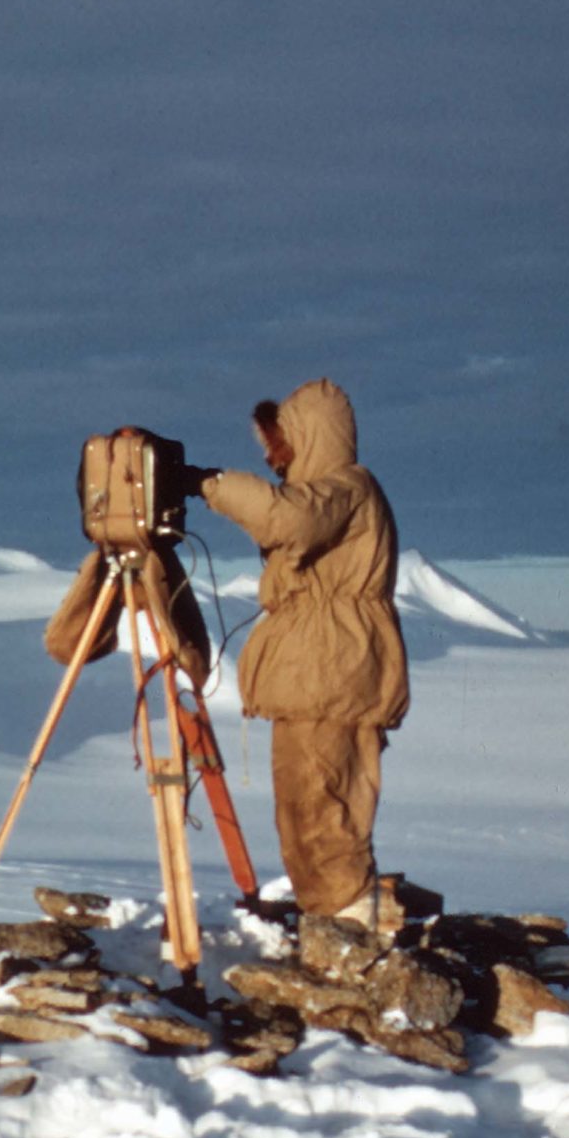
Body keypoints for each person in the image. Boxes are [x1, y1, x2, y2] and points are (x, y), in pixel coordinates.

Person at [185, 379, 410, 934]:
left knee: (322, 804)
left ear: (308, 437)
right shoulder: (331, 497)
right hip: (319, 669)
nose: (270, 457)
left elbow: (288, 518)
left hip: (333, 669)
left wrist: (207, 484)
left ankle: (348, 924)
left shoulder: (346, 489)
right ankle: (333, 919)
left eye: (279, 444)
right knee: (304, 808)